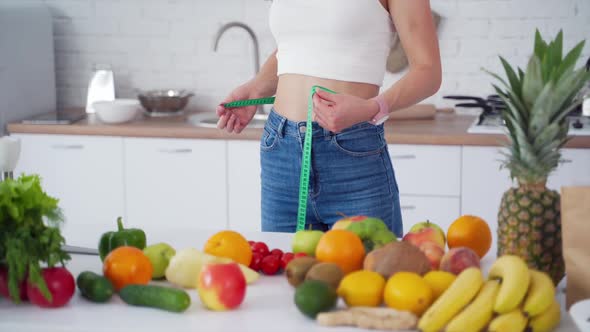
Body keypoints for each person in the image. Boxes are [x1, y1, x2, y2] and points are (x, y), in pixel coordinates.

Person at [216, 0, 441, 236]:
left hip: (351, 153)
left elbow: (428, 71)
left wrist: (372, 107)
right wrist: (255, 88)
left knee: (366, 270)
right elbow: (297, 46)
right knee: (286, 270)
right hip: (281, 150)